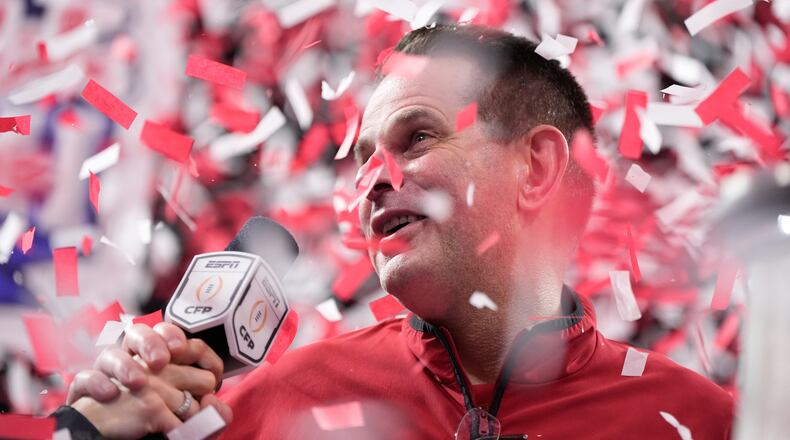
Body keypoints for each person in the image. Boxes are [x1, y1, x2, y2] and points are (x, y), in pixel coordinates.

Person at [55, 24, 733, 439]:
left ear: (538, 166)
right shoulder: (269, 408)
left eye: (417, 137)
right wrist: (87, 436)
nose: (370, 182)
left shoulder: (705, 422)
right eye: (360, 160)